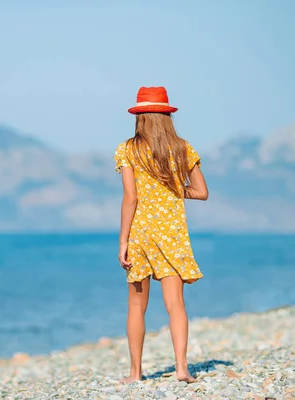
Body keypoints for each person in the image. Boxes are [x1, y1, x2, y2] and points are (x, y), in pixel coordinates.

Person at [114, 86, 208, 384]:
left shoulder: (128, 149)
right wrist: (173, 189)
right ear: (167, 115)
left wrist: (123, 241)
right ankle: (181, 368)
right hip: (173, 233)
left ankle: (135, 373)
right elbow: (202, 193)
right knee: (175, 305)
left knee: (136, 306)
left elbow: (130, 198)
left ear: (139, 117)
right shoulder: (183, 148)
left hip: (141, 233)